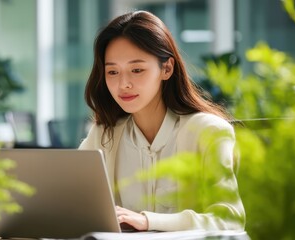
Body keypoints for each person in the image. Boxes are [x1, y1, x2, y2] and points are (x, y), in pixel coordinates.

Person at [79, 10, 245, 232]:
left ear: (166, 68)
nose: (123, 84)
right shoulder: (102, 136)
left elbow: (229, 221)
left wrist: (148, 221)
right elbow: (72, 206)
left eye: (136, 70)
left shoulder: (209, 132)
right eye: (112, 72)